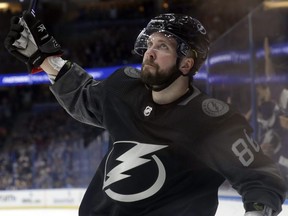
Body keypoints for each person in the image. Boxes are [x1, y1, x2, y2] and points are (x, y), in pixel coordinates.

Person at [4, 11, 287, 216]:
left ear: (186, 64)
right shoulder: (125, 90)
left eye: (162, 46)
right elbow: (84, 96)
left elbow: (262, 180)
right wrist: (43, 59)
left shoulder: (211, 122)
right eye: (149, 44)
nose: (149, 52)